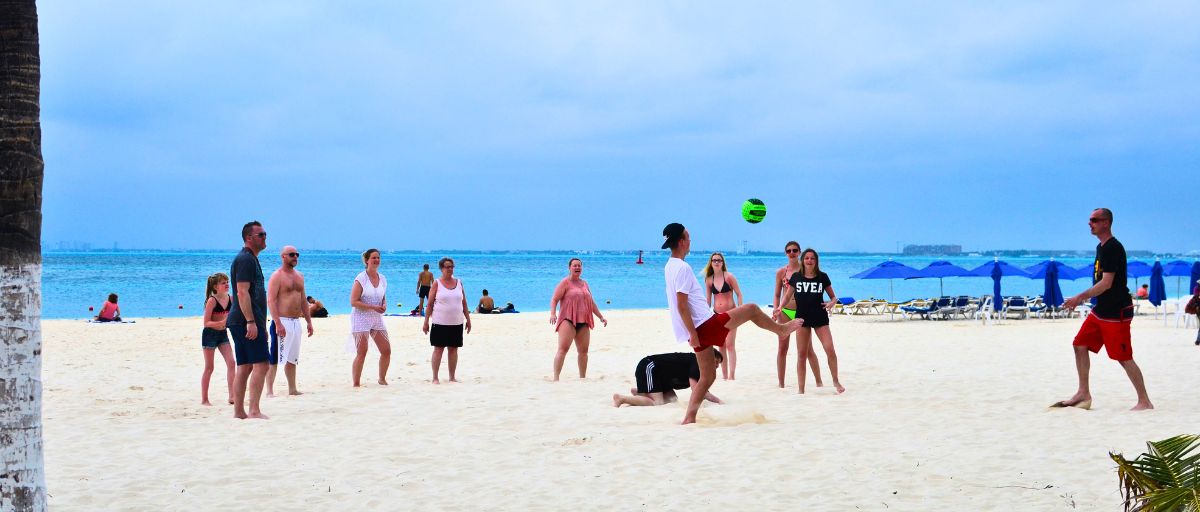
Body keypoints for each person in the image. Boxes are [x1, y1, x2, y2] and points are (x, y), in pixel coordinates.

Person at [661, 223, 803, 424]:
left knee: (707, 377)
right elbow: (681, 305)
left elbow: (679, 305)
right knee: (752, 308)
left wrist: (689, 333)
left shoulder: (670, 266)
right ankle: (781, 330)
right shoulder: (682, 268)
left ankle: (689, 418)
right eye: (689, 237)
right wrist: (692, 333)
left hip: (695, 329)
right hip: (703, 325)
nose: (691, 241)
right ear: (682, 241)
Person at [1053, 208, 1153, 411]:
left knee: (1123, 357)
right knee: (1079, 344)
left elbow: (1107, 283)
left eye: (1094, 220)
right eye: (1090, 220)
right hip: (1101, 310)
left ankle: (1144, 401)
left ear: (1106, 223)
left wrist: (1080, 297)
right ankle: (1083, 393)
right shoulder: (1101, 247)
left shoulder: (1113, 248)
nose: (1090, 223)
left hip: (1117, 312)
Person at [777, 248, 844, 394]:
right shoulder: (796, 277)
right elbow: (788, 296)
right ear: (803, 260)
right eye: (807, 258)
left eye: (812, 258)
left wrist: (832, 302)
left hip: (820, 318)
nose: (809, 261)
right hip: (801, 318)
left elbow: (834, 297)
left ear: (816, 261)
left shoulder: (822, 277)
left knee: (830, 349)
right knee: (801, 354)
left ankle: (835, 380)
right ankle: (801, 389)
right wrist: (780, 307)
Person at [228, 221, 270, 420]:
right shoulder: (245, 259)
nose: (264, 237)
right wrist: (251, 322)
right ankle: (253, 410)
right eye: (260, 234)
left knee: (244, 366)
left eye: (264, 234)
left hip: (242, 320)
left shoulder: (250, 259)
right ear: (248, 238)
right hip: (246, 321)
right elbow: (242, 292)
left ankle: (239, 412)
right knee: (261, 364)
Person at [266, 246, 314, 397]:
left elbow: (303, 301)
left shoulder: (299, 276)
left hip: (295, 322)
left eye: (297, 254)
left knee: (293, 357)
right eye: (292, 254)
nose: (295, 257)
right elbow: (271, 300)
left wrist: (309, 321)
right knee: (274, 357)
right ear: (283, 257)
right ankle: (269, 391)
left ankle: (292, 389)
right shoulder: (277, 276)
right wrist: (278, 323)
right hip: (282, 321)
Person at [549, 258, 608, 381]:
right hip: (568, 319)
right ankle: (556, 378)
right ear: (569, 268)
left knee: (583, 351)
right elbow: (554, 299)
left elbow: (591, 303)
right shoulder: (565, 282)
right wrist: (553, 314)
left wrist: (601, 317)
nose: (577, 268)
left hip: (584, 321)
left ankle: (582, 378)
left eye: (579, 266)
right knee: (563, 349)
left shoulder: (585, 283)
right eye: (574, 266)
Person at [773, 241, 821, 389]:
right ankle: (781, 384)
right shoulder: (781, 272)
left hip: (802, 312)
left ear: (800, 252)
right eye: (789, 251)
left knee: (807, 349)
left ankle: (819, 381)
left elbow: (815, 289)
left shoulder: (806, 269)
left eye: (795, 250)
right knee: (782, 348)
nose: (792, 253)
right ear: (786, 253)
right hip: (785, 312)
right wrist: (776, 309)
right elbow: (777, 294)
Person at [612, 349, 724, 407]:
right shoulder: (696, 362)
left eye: (719, 364)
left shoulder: (700, 368)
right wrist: (719, 402)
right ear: (708, 357)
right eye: (716, 362)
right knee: (658, 403)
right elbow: (696, 390)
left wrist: (716, 401)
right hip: (650, 367)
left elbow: (703, 391)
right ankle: (622, 398)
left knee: (672, 400)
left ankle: (640, 393)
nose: (717, 366)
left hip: (662, 378)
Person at [423, 257, 472, 384]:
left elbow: (464, 302)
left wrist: (468, 319)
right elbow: (429, 304)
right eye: (447, 267)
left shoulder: (459, 282)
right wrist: (426, 321)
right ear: (441, 269)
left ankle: (452, 377)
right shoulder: (437, 283)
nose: (450, 269)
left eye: (451, 266)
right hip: (439, 322)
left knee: (453, 349)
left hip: (456, 322)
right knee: (438, 349)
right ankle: (435, 377)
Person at [350, 248, 391, 387]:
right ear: (367, 260)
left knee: (386, 350)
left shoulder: (383, 278)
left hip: (376, 318)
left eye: (378, 258)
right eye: (373, 258)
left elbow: (383, 297)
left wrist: (384, 305)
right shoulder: (361, 278)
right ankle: (356, 383)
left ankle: (382, 378)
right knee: (362, 352)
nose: (376, 260)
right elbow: (353, 301)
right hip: (360, 317)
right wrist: (373, 307)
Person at [704, 252, 743, 380]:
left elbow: (739, 294)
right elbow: (708, 300)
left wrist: (741, 310)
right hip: (717, 315)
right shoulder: (709, 280)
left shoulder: (729, 277)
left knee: (730, 345)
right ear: (711, 262)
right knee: (721, 345)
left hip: (731, 313)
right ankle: (725, 376)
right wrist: (704, 316)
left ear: (722, 262)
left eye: (719, 260)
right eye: (714, 260)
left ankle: (732, 376)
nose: (716, 262)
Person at [200, 273, 235, 406]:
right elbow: (206, 323)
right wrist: (221, 323)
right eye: (223, 283)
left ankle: (232, 396)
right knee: (209, 367)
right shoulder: (212, 300)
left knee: (232, 363)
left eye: (227, 281)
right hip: (209, 335)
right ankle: (204, 399)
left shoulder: (231, 298)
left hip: (223, 335)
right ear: (215, 286)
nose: (227, 284)